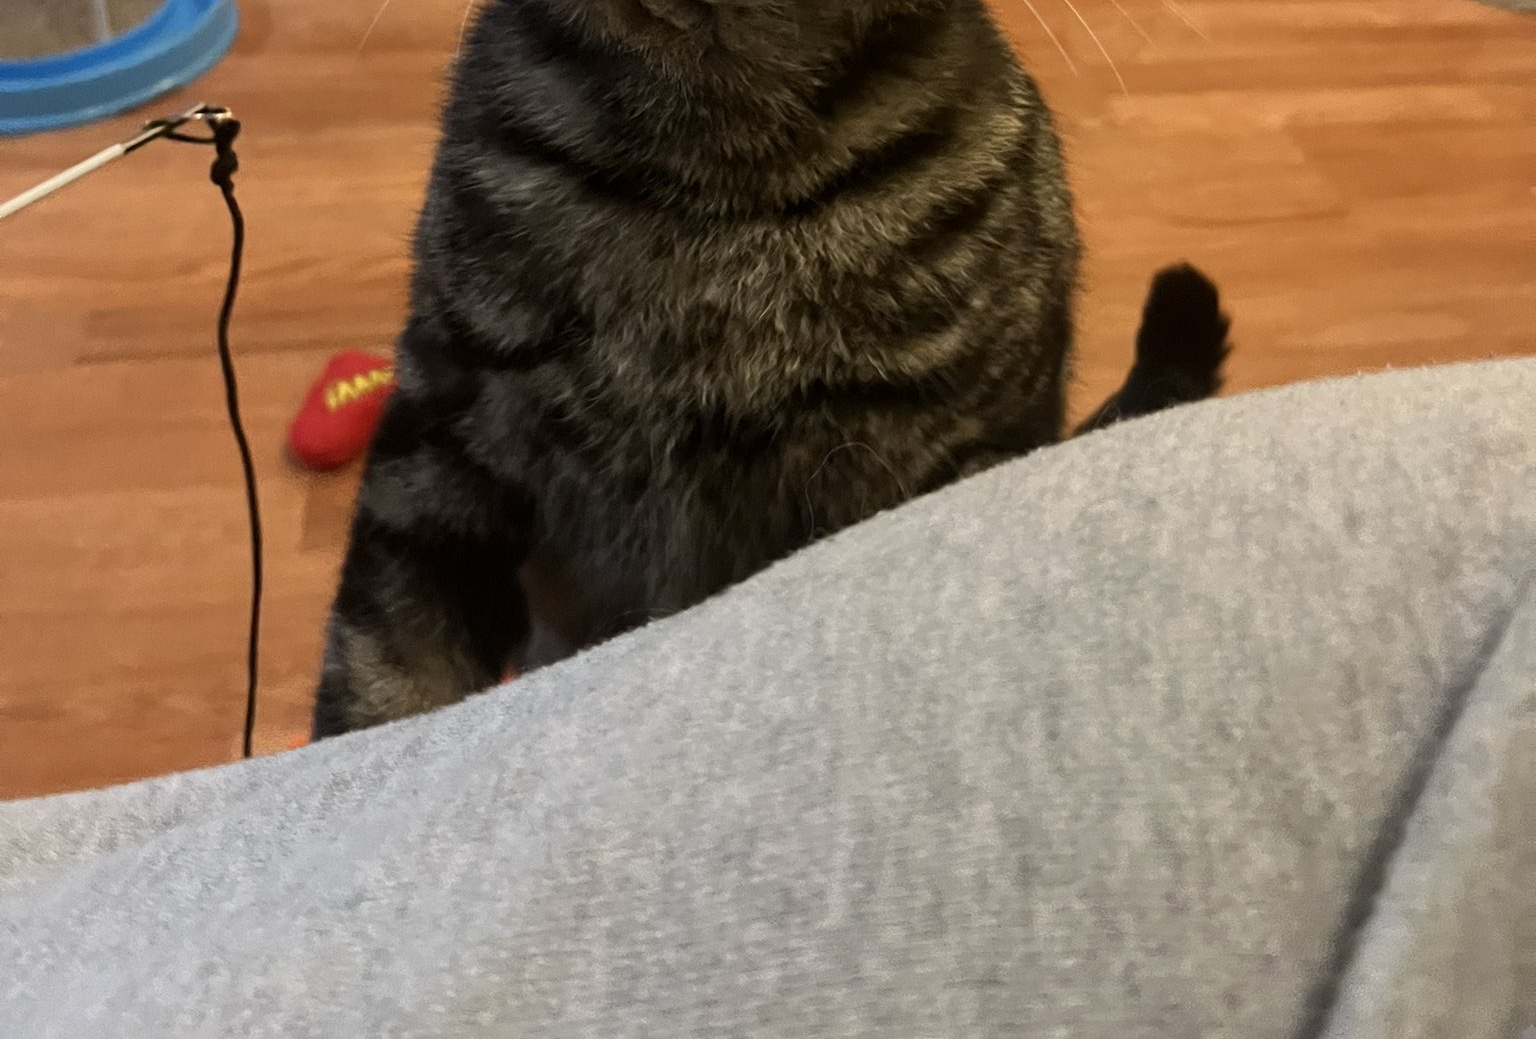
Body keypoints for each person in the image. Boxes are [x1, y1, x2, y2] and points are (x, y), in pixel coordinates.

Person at [1, 355, 1532, 1036]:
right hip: (574, 704)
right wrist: (347, 846)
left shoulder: (971, 192)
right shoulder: (508, 132)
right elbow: (441, 510)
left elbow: (952, 564)